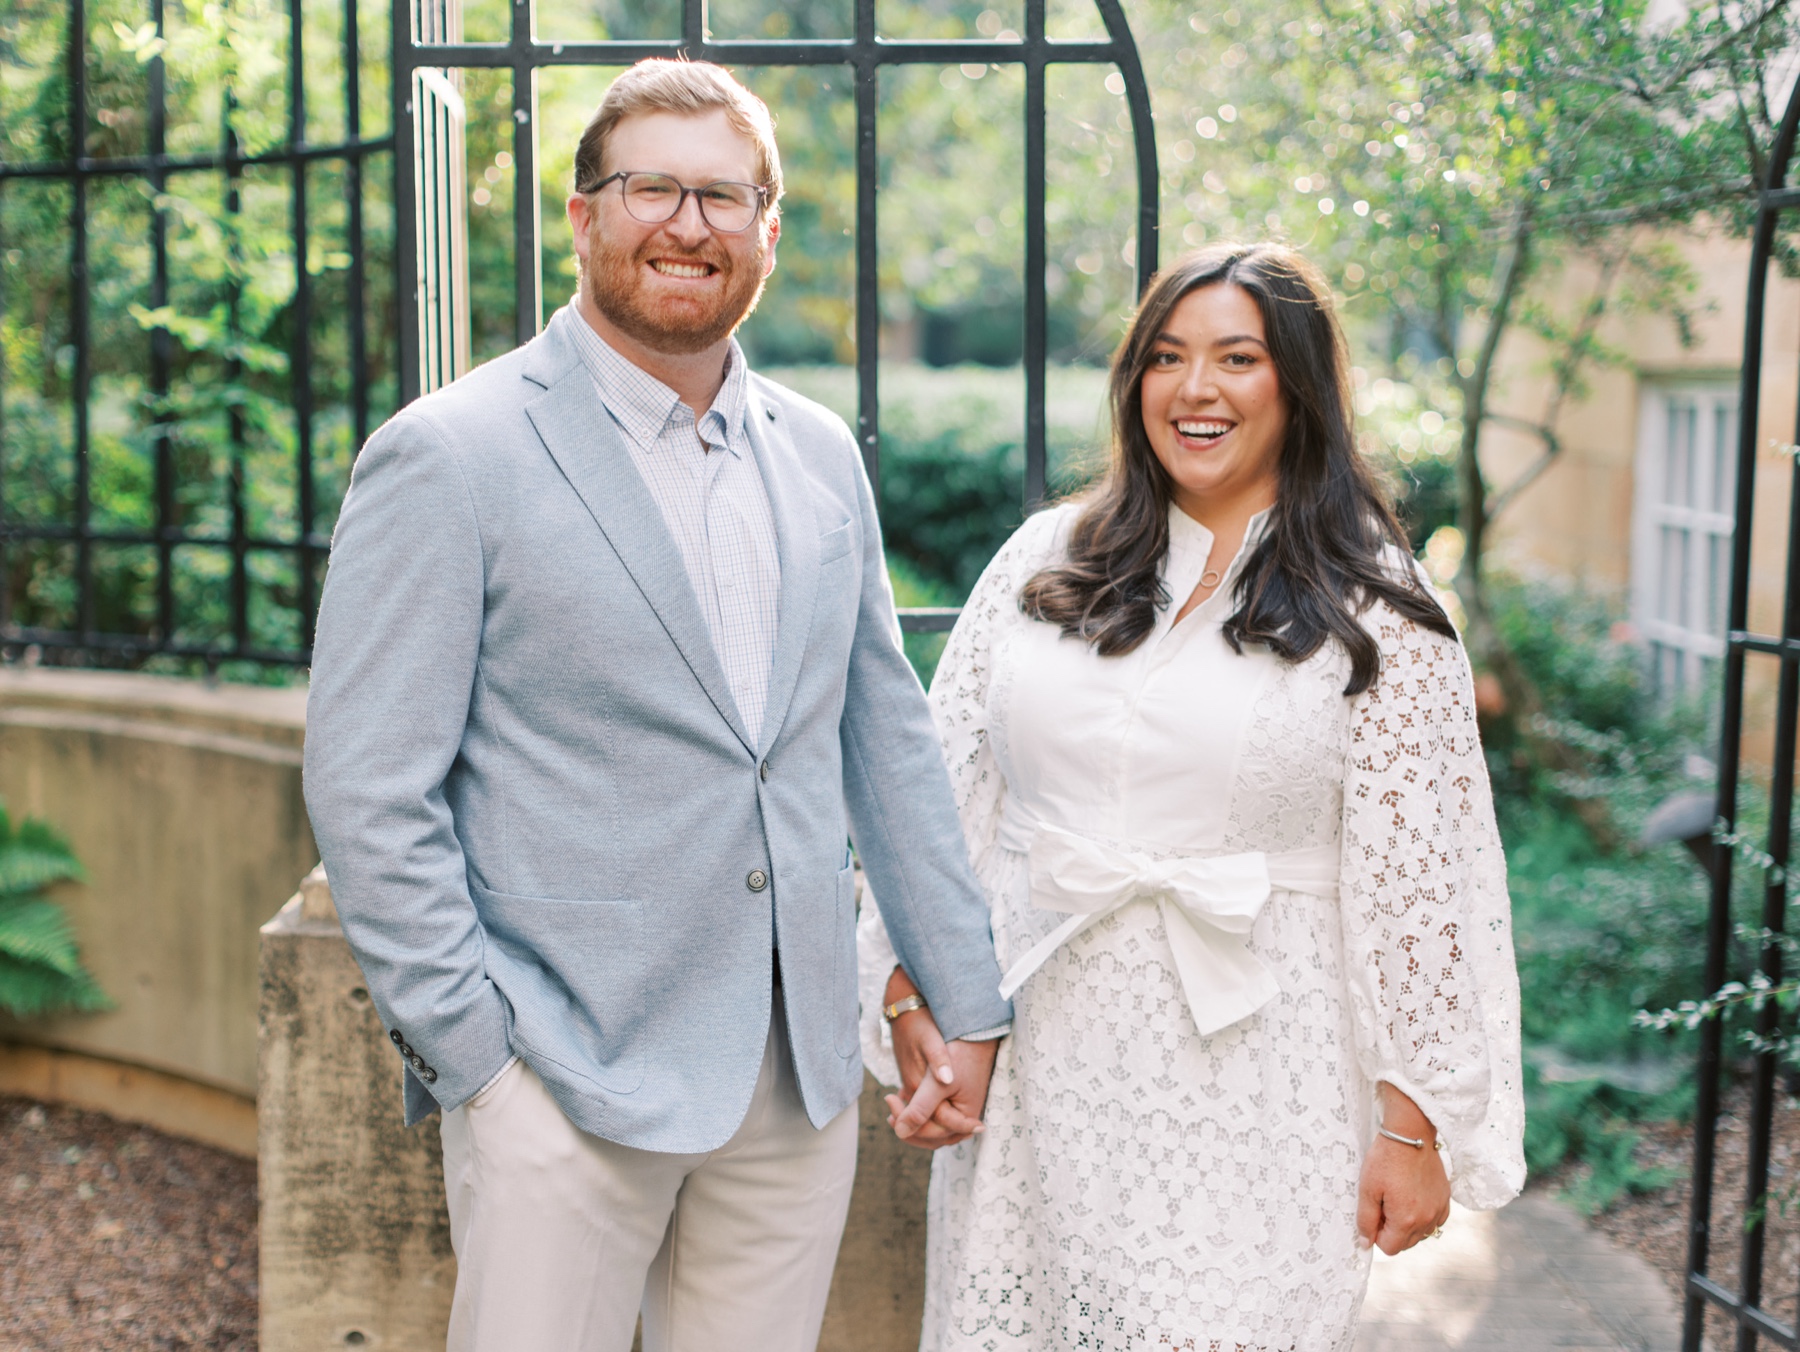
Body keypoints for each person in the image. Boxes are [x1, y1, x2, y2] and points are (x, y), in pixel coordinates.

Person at [303, 58, 1011, 1352]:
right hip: (561, 1072)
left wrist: (963, 1002)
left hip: (791, 1079)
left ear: (769, 231)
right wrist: (481, 1062)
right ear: (582, 217)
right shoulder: (449, 456)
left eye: (727, 197)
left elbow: (883, 738)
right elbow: (366, 787)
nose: (690, 225)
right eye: (654, 189)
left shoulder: (816, 454)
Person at [857, 242, 1524, 1351]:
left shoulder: (1383, 611)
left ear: (1298, 386)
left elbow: (1423, 888)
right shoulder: (1043, 560)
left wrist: (1415, 1124)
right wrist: (916, 999)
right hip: (1045, 1066)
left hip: (1263, 1078)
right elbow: (941, 806)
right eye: (1166, 357)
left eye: (1237, 358)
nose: (1195, 388)